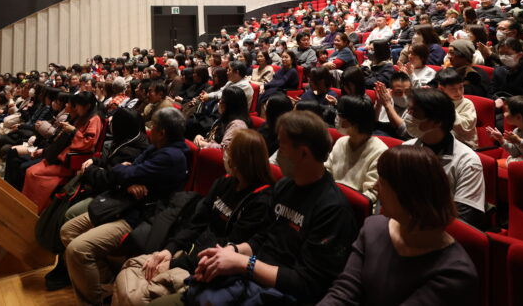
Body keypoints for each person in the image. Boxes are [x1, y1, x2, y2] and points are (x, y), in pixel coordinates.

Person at [186, 111, 359, 304]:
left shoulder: (333, 210)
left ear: (303, 153)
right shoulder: (284, 186)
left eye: (282, 146)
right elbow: (261, 239)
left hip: (279, 295)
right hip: (249, 282)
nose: (276, 153)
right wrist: (232, 251)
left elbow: (308, 283)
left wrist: (245, 264)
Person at [111, 129, 275, 306]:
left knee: (135, 295)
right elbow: (196, 223)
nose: (224, 155)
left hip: (206, 268)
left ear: (242, 159)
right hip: (186, 252)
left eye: (228, 150)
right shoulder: (225, 182)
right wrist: (169, 250)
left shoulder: (261, 201)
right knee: (131, 267)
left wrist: (174, 263)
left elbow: (227, 248)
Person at [57, 108, 190, 305]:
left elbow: (126, 170)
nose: (148, 130)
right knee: (68, 230)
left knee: (78, 250)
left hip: (139, 215)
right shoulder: (156, 147)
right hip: (123, 203)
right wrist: (129, 177)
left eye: (152, 126)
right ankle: (106, 286)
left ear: (162, 133)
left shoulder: (171, 156)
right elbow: (128, 169)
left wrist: (128, 173)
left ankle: (93, 301)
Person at [317, 147, 478, 306]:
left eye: (383, 182)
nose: (375, 187)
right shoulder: (373, 228)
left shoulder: (454, 273)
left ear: (409, 195)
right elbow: (344, 291)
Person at [403, 89, 487, 229]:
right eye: (408, 110)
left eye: (415, 113)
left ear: (436, 122)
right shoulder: (406, 149)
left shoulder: (467, 161)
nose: (407, 117)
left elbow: (463, 220)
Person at [22, 91, 103, 210]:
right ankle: (27, 204)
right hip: (62, 156)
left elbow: (88, 142)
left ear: (87, 106)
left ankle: (34, 207)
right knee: (30, 171)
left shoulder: (94, 119)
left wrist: (73, 131)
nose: (76, 108)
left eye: (78, 105)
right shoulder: (83, 116)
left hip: (71, 162)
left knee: (32, 173)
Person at [326, 95, 388, 204]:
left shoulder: (380, 152)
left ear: (353, 121)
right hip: (331, 200)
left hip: (354, 207)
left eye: (339, 115)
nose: (337, 118)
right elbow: (326, 174)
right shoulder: (341, 142)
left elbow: (371, 194)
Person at [194, 85, 252, 171]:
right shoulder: (224, 117)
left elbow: (225, 150)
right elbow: (212, 136)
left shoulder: (237, 126)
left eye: (221, 101)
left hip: (220, 167)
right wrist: (201, 138)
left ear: (229, 105)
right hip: (209, 160)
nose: (218, 103)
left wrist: (203, 144)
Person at [435, 68, 478, 149]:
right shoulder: (436, 101)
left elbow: (464, 128)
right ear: (441, 89)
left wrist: (446, 104)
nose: (458, 92)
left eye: (461, 87)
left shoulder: (467, 104)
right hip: (439, 143)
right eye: (453, 89)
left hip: (464, 146)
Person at [373, 73, 413, 139]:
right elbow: (372, 123)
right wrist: (379, 104)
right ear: (391, 91)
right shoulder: (385, 97)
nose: (404, 96)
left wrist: (388, 105)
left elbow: (407, 132)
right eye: (399, 92)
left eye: (407, 91)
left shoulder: (415, 105)